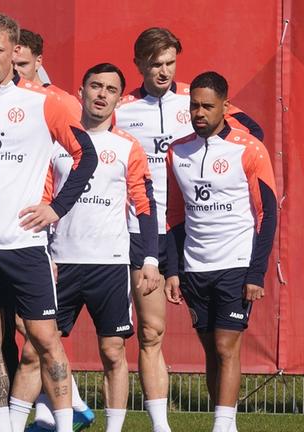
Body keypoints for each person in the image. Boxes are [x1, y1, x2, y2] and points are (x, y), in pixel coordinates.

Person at [0, 13, 97, 432]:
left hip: (26, 245)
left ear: (16, 52)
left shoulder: (44, 101)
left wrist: (57, 208)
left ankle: (65, 426)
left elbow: (88, 156)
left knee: (47, 342)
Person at [114, 27, 263, 432]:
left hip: (188, 231)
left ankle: (222, 422)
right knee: (150, 331)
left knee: (218, 343)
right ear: (139, 64)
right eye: (155, 64)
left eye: (170, 63)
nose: (163, 71)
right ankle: (161, 425)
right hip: (142, 229)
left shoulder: (194, 101)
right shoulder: (122, 108)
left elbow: (253, 135)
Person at [22, 63, 159, 432]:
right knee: (34, 350)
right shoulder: (56, 145)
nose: (101, 94)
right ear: (80, 92)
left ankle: (112, 429)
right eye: (95, 86)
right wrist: (43, 252)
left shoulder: (127, 146)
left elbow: (144, 205)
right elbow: (43, 201)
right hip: (61, 263)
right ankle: (54, 416)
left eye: (110, 89)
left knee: (113, 352)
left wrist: (149, 259)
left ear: (118, 98)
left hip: (109, 265)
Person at [164, 71, 277, 432]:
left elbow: (267, 214)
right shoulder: (177, 151)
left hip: (236, 264)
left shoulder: (249, 148)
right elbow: (175, 215)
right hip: (196, 267)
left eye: (208, 106)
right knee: (212, 349)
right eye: (194, 105)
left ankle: (222, 426)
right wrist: (173, 270)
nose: (199, 112)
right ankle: (224, 422)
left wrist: (255, 273)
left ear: (226, 108)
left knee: (228, 347)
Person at [13, 29, 95, 432]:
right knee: (25, 328)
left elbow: (80, 160)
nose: (17, 72)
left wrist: (56, 211)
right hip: (3, 227)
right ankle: (68, 404)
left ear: (38, 61)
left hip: (42, 230)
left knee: (37, 331)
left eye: (23, 64)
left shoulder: (59, 103)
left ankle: (60, 410)